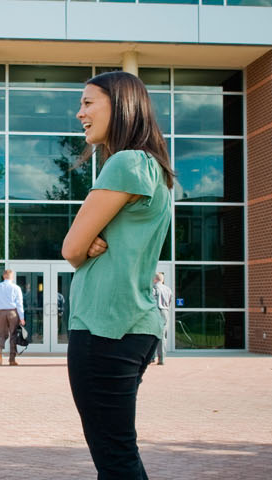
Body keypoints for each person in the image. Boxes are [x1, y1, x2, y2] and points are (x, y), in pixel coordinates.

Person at [60, 70, 175, 479]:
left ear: (121, 106)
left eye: (88, 103)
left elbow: (71, 248)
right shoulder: (152, 167)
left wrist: (85, 241)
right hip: (134, 326)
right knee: (118, 454)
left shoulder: (125, 162)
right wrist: (89, 238)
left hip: (105, 328)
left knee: (115, 458)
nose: (80, 113)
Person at [0, 269, 25, 366]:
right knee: (13, 335)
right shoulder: (16, 288)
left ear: (4, 276)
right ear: (11, 277)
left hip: (0, 313)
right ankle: (12, 359)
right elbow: (19, 304)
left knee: (0, 334)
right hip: (12, 312)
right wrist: (22, 317)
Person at [152, 272, 173, 365]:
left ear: (155, 279)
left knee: (152, 335)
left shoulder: (153, 288)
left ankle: (151, 357)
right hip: (165, 312)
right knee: (163, 336)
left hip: (156, 311)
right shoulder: (168, 289)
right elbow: (170, 301)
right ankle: (162, 359)